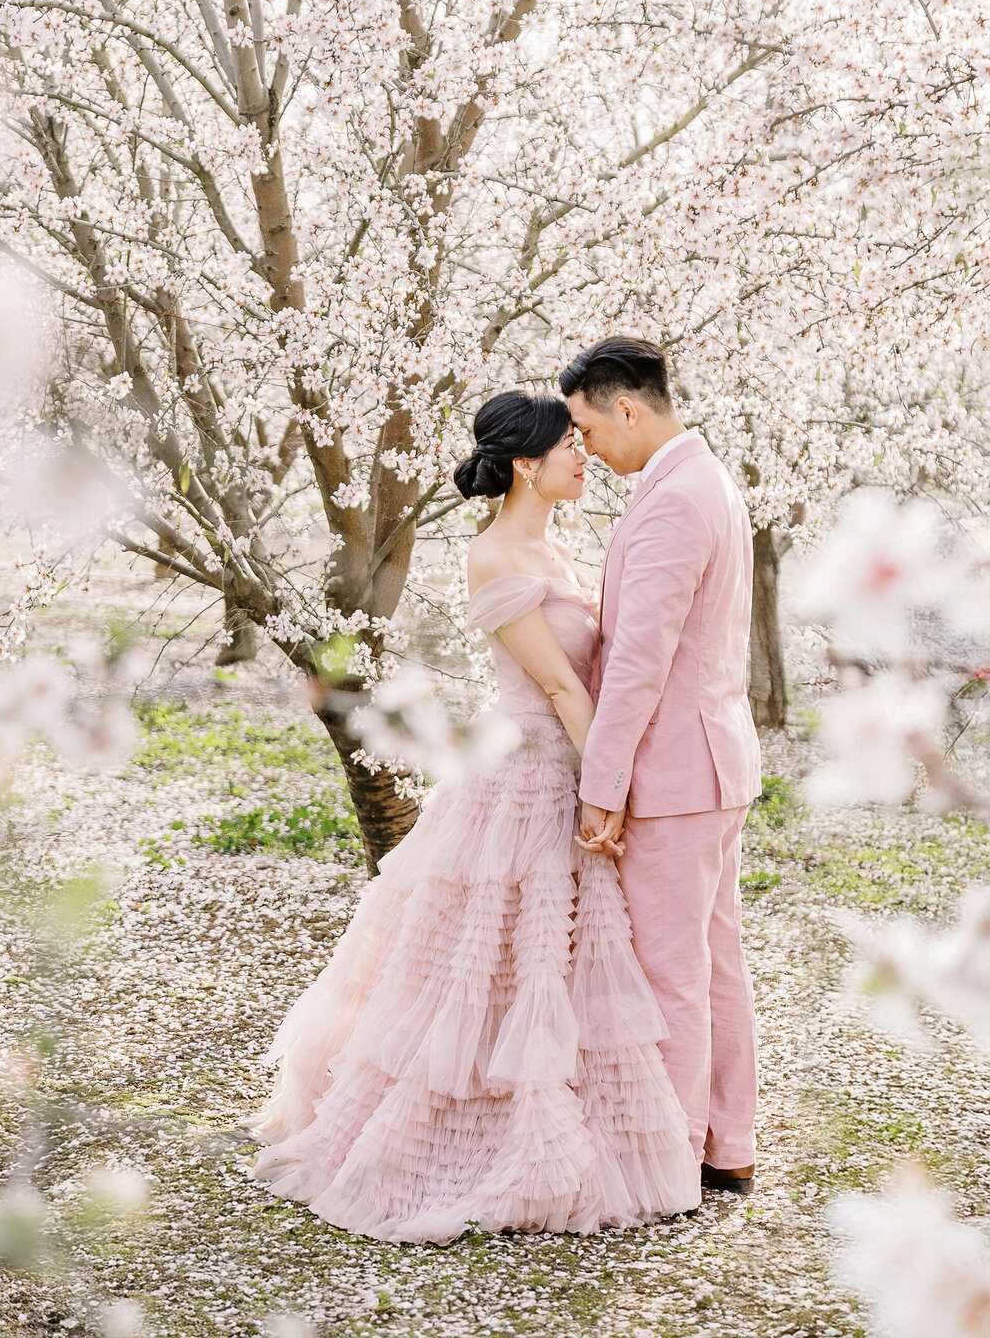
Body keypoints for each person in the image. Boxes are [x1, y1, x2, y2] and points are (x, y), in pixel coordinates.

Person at [249, 389, 700, 1242]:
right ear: (527, 463)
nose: (585, 454)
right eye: (571, 444)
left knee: (561, 957)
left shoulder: (555, 546)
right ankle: (473, 1136)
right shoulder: (496, 557)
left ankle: (577, 1125)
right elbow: (563, 686)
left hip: (569, 766)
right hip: (528, 777)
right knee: (496, 957)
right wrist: (611, 783)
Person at [559, 337, 761, 1195]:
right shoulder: (702, 480)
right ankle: (728, 1143)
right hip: (712, 761)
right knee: (714, 962)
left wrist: (601, 785)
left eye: (587, 428)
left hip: (676, 773)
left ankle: (673, 1159)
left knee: (671, 972)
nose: (587, 450)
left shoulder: (676, 499)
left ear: (627, 409)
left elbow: (641, 656)